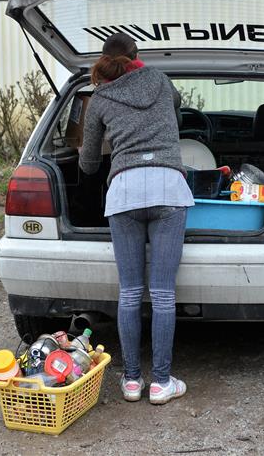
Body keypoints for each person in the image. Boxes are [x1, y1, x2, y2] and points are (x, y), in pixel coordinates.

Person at [79, 32, 193, 405]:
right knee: (162, 293)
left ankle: (131, 381)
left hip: (124, 193)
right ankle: (161, 383)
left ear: (104, 61)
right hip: (168, 189)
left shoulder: (99, 98)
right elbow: (176, 110)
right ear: (136, 55)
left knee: (129, 292)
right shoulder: (160, 80)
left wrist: (91, 159)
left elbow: (89, 162)